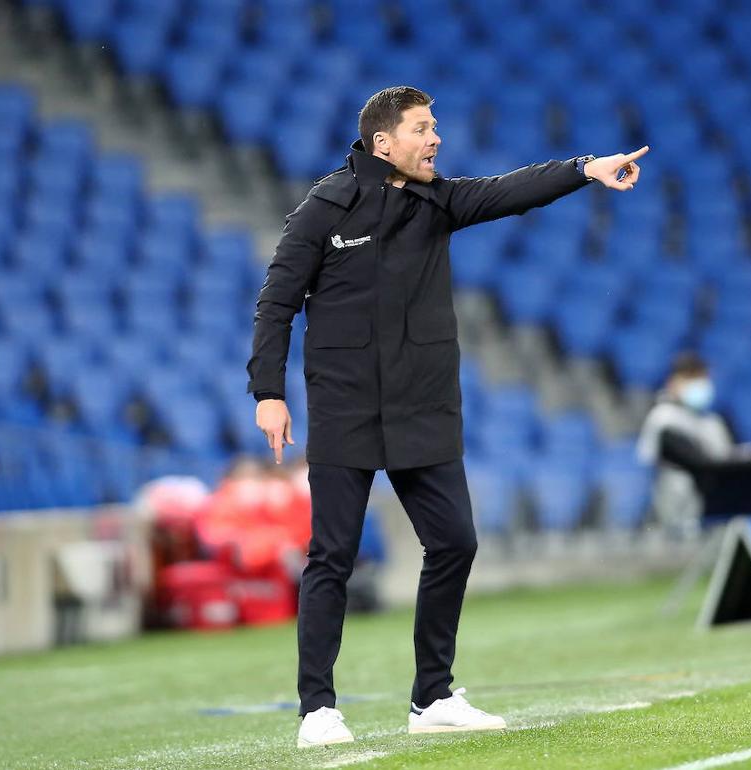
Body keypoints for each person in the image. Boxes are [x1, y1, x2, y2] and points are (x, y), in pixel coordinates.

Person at [246, 85, 649, 747]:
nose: (436, 139)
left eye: (434, 127)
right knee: (332, 556)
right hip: (346, 408)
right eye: (422, 128)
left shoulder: (438, 202)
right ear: (384, 143)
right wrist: (268, 391)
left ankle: (431, 696)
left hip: (423, 407)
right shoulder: (324, 208)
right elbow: (276, 302)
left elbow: (511, 190)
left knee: (456, 542)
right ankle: (317, 709)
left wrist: (585, 169)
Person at [636, 353, 751, 537]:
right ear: (672, 383)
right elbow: (703, 464)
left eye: (702, 377)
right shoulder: (664, 420)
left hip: (717, 493)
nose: (698, 384)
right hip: (688, 503)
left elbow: (731, 454)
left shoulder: (712, 420)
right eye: (690, 377)